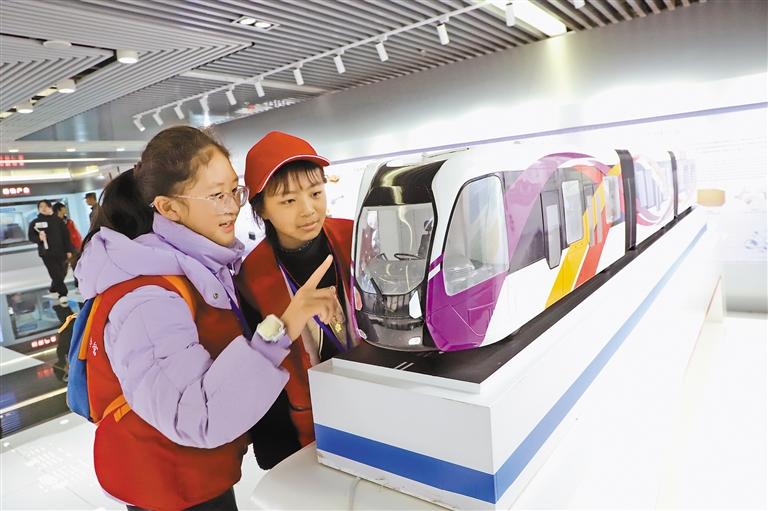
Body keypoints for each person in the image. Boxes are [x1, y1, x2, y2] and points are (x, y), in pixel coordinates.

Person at [75, 126, 339, 511]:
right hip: (166, 487)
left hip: (195, 473)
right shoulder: (148, 298)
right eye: (216, 195)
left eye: (234, 191)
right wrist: (282, 329)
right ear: (169, 208)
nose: (233, 206)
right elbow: (197, 417)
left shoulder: (199, 267)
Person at [237, 131, 358, 469]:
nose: (308, 210)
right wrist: (279, 455)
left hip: (376, 398)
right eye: (288, 201)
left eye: (316, 193)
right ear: (261, 207)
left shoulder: (355, 238)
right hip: (309, 427)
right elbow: (263, 369)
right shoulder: (251, 278)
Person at [28, 199, 73, 297]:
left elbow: (66, 237)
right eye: (41, 207)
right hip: (46, 253)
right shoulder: (35, 223)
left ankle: (54, 287)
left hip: (61, 252)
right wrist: (39, 238)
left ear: (50, 207)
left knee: (62, 272)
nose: (43, 208)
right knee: (54, 272)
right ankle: (63, 294)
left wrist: (69, 250)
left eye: (45, 206)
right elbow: (31, 237)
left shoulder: (58, 221)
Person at [53, 202, 83, 267]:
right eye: (64, 207)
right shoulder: (55, 223)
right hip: (68, 246)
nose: (66, 209)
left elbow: (76, 232)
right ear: (59, 209)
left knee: (81, 263)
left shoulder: (68, 220)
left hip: (77, 245)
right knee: (75, 265)